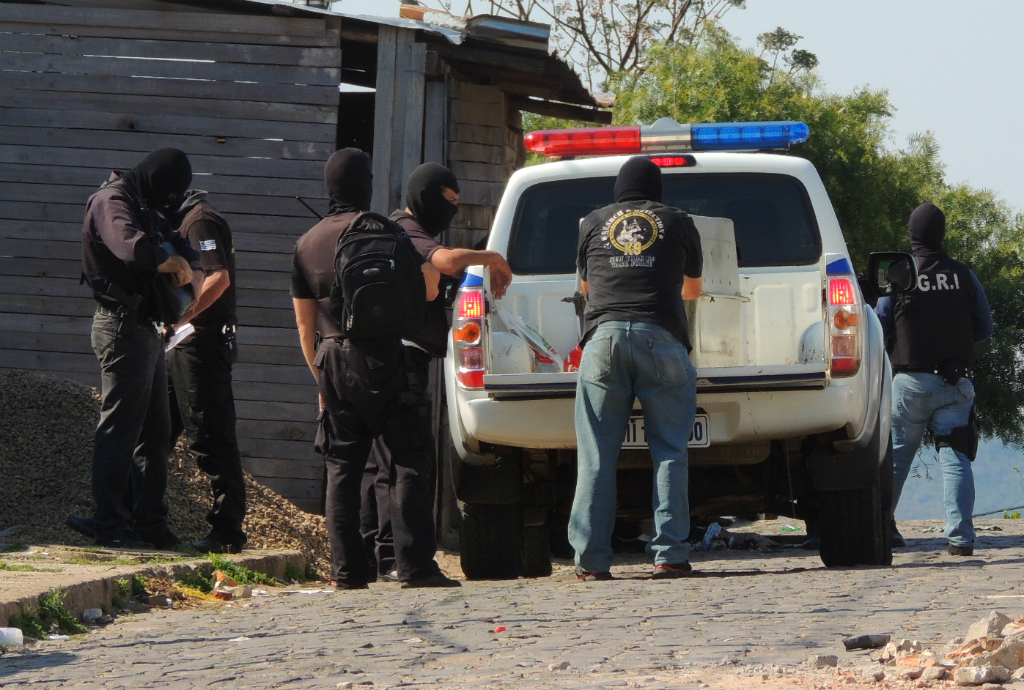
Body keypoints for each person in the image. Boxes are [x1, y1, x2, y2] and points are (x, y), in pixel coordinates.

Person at [290, 149, 458, 589]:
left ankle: (348, 572)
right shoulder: (384, 231)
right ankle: (415, 567)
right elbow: (427, 284)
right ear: (365, 184)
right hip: (388, 362)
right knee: (408, 459)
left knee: (343, 466)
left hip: (332, 361)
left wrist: (322, 381)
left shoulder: (305, 244)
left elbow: (305, 327)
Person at [363, 163, 513, 581]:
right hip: (402, 360)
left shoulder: (402, 231)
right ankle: (414, 564)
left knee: (385, 465)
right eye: (447, 202)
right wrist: (491, 257)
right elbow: (445, 261)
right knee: (412, 462)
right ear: (425, 196)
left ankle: (387, 558)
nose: (452, 211)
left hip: (384, 359)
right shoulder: (406, 230)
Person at [569, 156, 703, 581]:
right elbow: (693, 289)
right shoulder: (679, 221)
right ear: (656, 189)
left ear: (618, 190)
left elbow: (585, 288)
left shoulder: (592, 221)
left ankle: (591, 562)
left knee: (596, 455)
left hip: (603, 341)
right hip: (660, 339)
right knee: (669, 451)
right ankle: (669, 555)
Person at [73, 148, 203, 549]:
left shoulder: (141, 203)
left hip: (145, 328)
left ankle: (149, 525)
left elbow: (176, 238)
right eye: (169, 191)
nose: (170, 201)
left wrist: (188, 260)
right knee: (121, 429)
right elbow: (130, 246)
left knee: (154, 431)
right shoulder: (112, 201)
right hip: (121, 326)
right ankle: (108, 523)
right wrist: (170, 261)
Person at [876, 202, 993, 556]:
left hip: (910, 383)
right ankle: (961, 538)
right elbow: (984, 327)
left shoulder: (899, 273)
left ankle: (877, 528)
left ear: (912, 234)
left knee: (895, 457)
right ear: (941, 233)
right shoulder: (962, 274)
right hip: (957, 384)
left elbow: (879, 324)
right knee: (956, 457)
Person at [166, 189, 248, 554]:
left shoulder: (198, 221)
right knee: (157, 431)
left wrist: (179, 317)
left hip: (201, 345)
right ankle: (139, 517)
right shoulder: (184, 220)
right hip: (182, 345)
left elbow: (218, 278)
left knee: (210, 435)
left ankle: (227, 530)